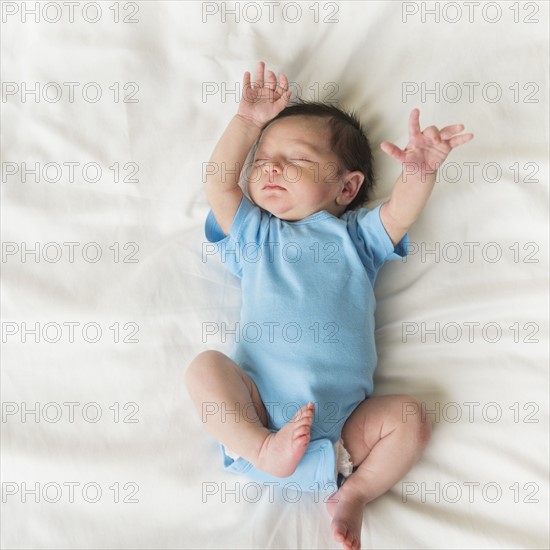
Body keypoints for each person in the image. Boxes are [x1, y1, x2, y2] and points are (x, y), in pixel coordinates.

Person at [186, 60, 473, 550]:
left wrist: (420, 172)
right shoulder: (258, 235)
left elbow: (399, 212)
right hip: (258, 411)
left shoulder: (357, 240)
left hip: (343, 437)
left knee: (410, 419)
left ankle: (354, 495)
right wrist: (247, 123)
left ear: (347, 188)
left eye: (294, 160)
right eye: (262, 160)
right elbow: (219, 185)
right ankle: (260, 448)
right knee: (205, 368)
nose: (270, 166)